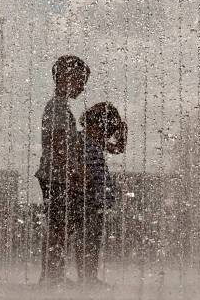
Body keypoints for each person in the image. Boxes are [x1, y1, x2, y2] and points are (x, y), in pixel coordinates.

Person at [35, 55, 90, 286]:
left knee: (60, 227)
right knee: (59, 228)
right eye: (81, 80)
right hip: (56, 176)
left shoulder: (60, 107)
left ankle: (52, 274)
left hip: (56, 175)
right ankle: (51, 276)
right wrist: (75, 172)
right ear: (67, 78)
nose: (83, 86)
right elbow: (58, 144)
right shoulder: (56, 107)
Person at [73, 102, 126, 285]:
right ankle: (85, 278)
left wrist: (122, 130)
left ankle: (90, 277)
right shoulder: (80, 139)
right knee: (85, 238)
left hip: (97, 200)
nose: (106, 137)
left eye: (108, 133)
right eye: (105, 131)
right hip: (86, 198)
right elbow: (75, 166)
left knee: (94, 239)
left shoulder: (95, 140)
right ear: (92, 124)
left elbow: (119, 149)